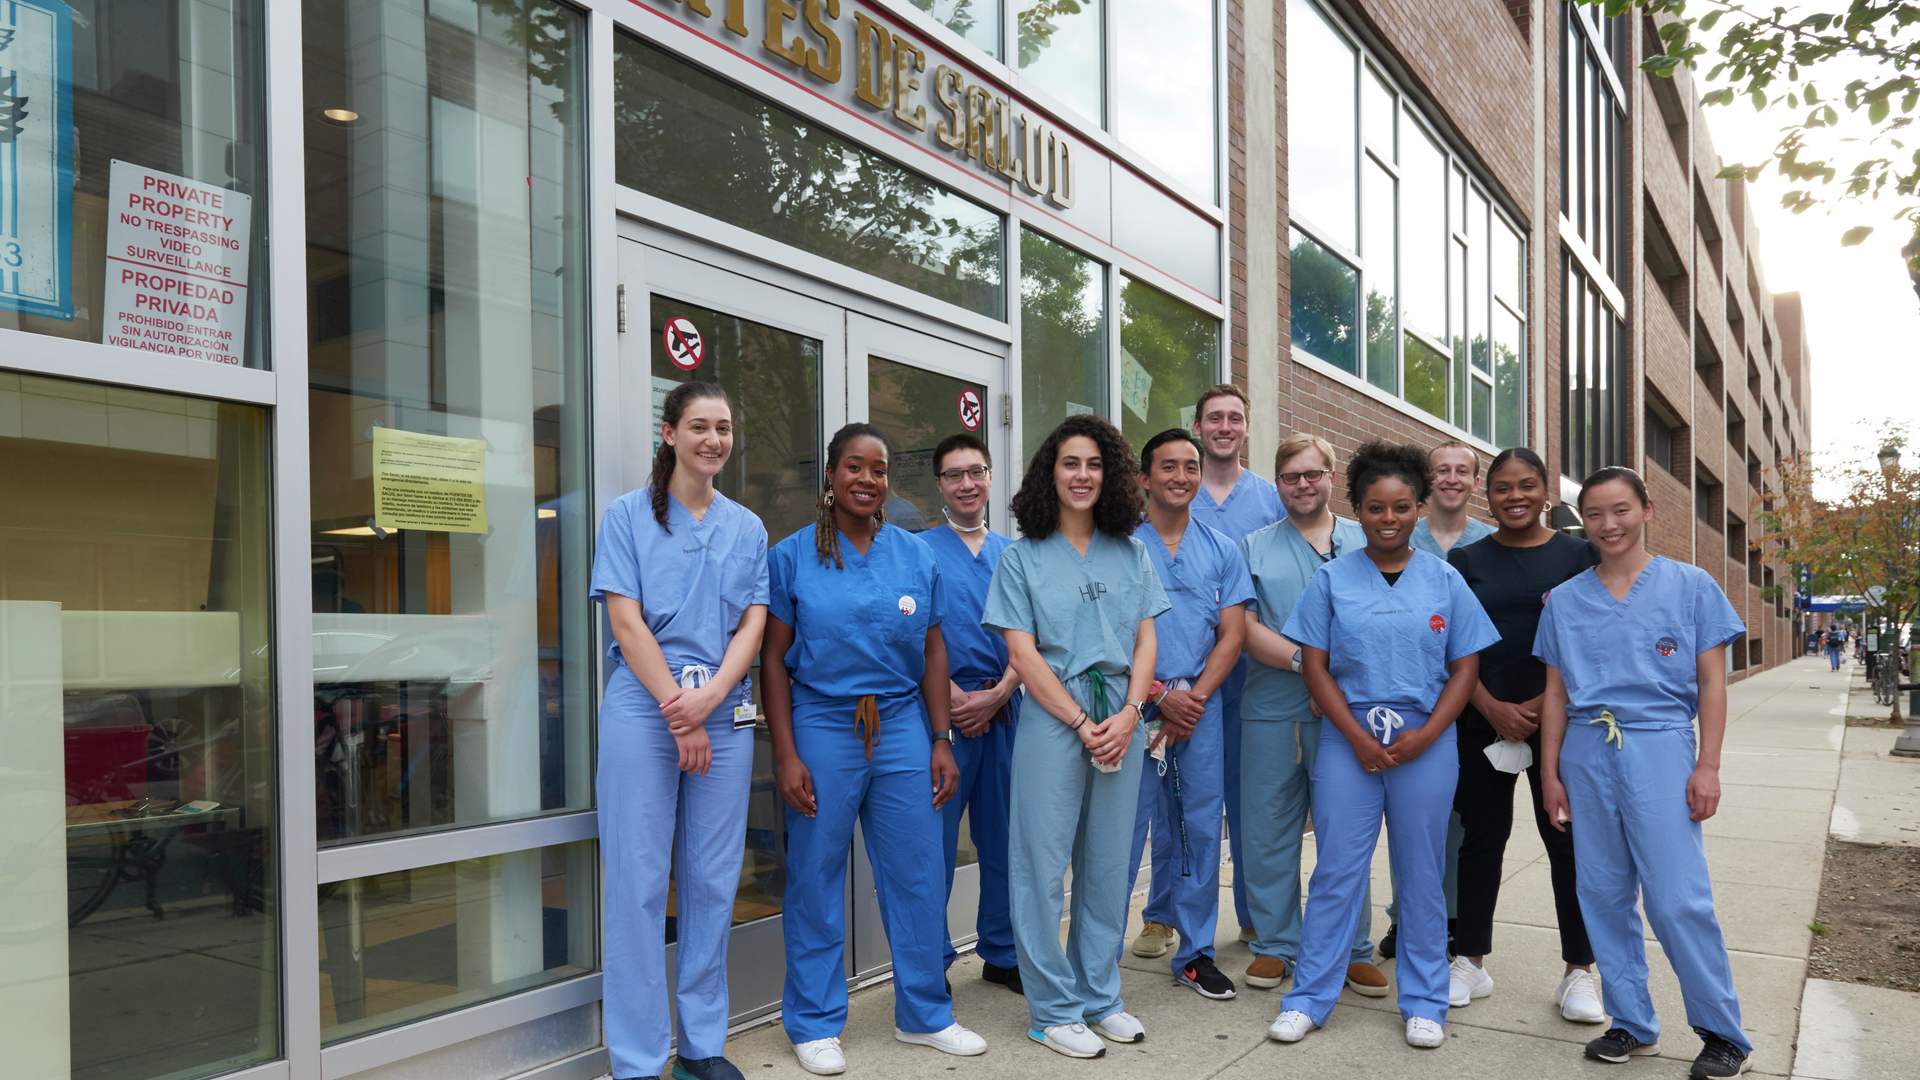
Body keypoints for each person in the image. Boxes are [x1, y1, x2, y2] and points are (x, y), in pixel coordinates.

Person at [762, 423, 986, 1075]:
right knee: (816, 874)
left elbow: (934, 649)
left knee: (917, 872)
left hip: (902, 723)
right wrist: (785, 752)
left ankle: (925, 1013)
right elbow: (773, 661)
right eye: (854, 466)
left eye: (879, 469)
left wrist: (941, 737)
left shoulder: (916, 556)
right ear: (830, 476)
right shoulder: (793, 556)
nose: (867, 478)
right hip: (823, 723)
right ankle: (813, 1021)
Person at [1268, 442, 1499, 1051]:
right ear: (1359, 510)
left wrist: (1427, 733)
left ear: (1419, 508)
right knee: (1338, 870)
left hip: (1427, 738)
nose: (1388, 519)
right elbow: (1314, 666)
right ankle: (1310, 997)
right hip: (1350, 737)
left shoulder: (1444, 579)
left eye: (1401, 507)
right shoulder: (1332, 579)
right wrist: (1354, 736)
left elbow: (1466, 668)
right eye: (1375, 508)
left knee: (1422, 874)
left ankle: (1423, 1001)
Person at [1536, 467, 1755, 1079]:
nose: (1608, 524)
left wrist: (1707, 764)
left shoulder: (1692, 587)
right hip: (1585, 749)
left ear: (1647, 510)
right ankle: (1632, 1022)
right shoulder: (1566, 598)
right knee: (1602, 893)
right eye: (1596, 514)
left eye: (1620, 510)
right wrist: (1551, 774)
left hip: (1660, 746)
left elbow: (1713, 683)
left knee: (1678, 897)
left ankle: (1721, 1032)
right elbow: (1554, 693)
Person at [593, 382, 770, 1080]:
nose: (713, 440)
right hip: (645, 706)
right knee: (638, 881)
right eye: (699, 426)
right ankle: (638, 1060)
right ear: (668, 434)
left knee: (712, 880)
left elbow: (753, 621)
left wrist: (714, 697)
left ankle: (701, 1045)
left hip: (723, 709)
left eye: (723, 427)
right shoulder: (627, 517)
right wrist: (678, 707)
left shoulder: (746, 526)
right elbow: (625, 620)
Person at [983, 414, 1169, 1059]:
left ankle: (1099, 995)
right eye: (1070, 463)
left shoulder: (1132, 550)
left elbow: (1146, 637)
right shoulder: (1021, 556)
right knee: (1041, 864)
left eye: (1093, 464)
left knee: (1108, 864)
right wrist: (1083, 723)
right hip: (1054, 717)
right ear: (1049, 473)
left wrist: (1131, 715)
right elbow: (1023, 652)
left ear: (1109, 473)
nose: (1082, 475)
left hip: (1122, 714)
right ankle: (1052, 1008)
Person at [1442, 448, 1604, 1022]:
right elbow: (1451, 645)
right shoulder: (1465, 560)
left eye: (1528, 486)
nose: (1516, 496)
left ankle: (1580, 972)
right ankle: (1470, 960)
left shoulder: (1580, 555)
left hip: (1562, 722)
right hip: (1480, 719)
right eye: (1504, 487)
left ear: (1546, 494)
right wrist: (1489, 705)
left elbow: (1593, 639)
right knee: (1480, 840)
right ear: (1489, 494)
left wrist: (1540, 708)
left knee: (1568, 843)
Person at [1236, 433, 1386, 997]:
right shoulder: (1253, 547)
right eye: (1290, 476)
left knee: (1346, 832)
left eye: (1312, 474)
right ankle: (1275, 944)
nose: (1302, 485)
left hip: (1350, 715)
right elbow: (1244, 628)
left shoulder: (1363, 539)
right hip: (1273, 709)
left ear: (1331, 477)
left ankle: (1352, 947)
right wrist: (1307, 662)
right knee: (1269, 829)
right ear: (1277, 485)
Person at [1122, 429, 1254, 1000]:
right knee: (1121, 829)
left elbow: (1233, 633)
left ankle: (1197, 951)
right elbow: (1105, 636)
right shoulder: (1119, 546)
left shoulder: (1222, 549)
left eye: (1191, 466)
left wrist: (1192, 698)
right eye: (1168, 466)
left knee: (1199, 826)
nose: (1181, 476)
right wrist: (1157, 694)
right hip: (1133, 706)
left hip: (1199, 708)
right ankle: (1097, 955)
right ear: (1145, 478)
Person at [1380, 439, 1493, 961]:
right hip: (1410, 704)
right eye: (1441, 470)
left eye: (1462, 471)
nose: (1451, 478)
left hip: (1478, 707)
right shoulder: (1400, 532)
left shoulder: (1491, 542)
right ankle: (1405, 918)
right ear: (1427, 484)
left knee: (1462, 825)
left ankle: (1453, 920)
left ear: (1475, 482)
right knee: (1414, 822)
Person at [922, 433, 1025, 995]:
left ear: (990, 478)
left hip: (1006, 708)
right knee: (932, 844)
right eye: (954, 474)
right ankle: (930, 959)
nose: (967, 483)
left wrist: (1001, 692)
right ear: (939, 484)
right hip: (943, 716)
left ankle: (1002, 952)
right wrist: (954, 702)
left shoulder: (1015, 554)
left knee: (1005, 839)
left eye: (976, 471)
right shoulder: (916, 550)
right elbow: (907, 634)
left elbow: (1034, 636)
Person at [1183, 384, 1285, 947]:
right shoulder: (1178, 491)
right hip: (1180, 673)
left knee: (1250, 802)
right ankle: (1160, 913)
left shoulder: (1270, 499)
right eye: (1214, 417)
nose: (1224, 426)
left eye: (1235, 418)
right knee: (1177, 797)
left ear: (1246, 429)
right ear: (1198, 426)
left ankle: (1253, 916)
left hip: (1253, 675)